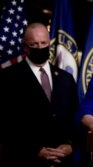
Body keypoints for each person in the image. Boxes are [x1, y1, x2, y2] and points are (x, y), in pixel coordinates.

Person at [0, 22, 79, 167]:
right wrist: (34, 150)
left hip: (64, 162)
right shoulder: (8, 78)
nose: (40, 47)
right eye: (34, 44)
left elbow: (75, 118)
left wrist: (70, 145)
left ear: (49, 43)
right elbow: (6, 123)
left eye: (43, 43)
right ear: (25, 47)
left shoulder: (65, 79)